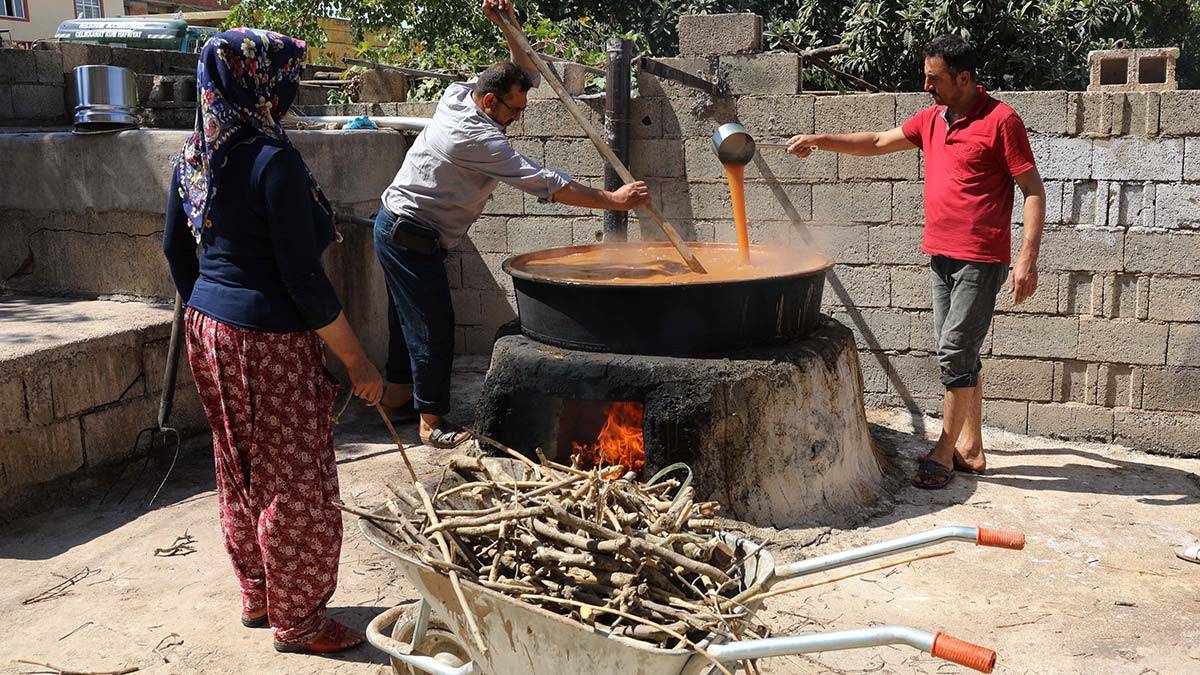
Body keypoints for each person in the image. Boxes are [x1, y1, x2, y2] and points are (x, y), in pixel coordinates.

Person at [163, 28, 383, 654]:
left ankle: (259, 597)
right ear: (260, 80)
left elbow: (176, 250)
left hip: (210, 329)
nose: (289, 89)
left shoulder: (197, 153)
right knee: (296, 482)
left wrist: (211, 305)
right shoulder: (271, 159)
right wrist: (357, 360)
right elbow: (303, 279)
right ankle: (300, 620)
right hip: (270, 341)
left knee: (239, 467)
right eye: (286, 77)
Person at [374, 0, 652, 448]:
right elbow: (547, 184)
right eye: (515, 111)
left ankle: (397, 400)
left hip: (401, 228)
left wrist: (511, 26)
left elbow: (522, 70)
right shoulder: (478, 139)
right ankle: (431, 424)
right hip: (409, 234)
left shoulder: (459, 96)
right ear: (489, 102)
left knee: (406, 321)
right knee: (431, 326)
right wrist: (613, 201)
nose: (518, 119)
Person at [786, 34, 1046, 489]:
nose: (926, 86)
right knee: (960, 352)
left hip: (980, 259)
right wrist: (820, 140)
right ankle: (972, 447)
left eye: (935, 79)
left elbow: (1034, 191)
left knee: (953, 354)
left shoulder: (1002, 121)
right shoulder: (932, 119)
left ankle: (944, 452)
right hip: (940, 256)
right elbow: (877, 141)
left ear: (964, 78)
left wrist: (1027, 258)